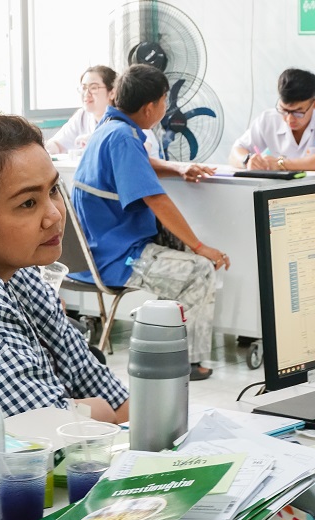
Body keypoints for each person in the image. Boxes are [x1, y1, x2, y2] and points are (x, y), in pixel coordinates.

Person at [0, 113, 129, 423]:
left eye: (53, 191)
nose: (54, 215)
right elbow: (47, 430)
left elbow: (117, 400)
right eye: (27, 203)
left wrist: (87, 410)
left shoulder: (21, 273)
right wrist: (90, 411)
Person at [71, 64, 229, 381]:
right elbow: (156, 200)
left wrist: (179, 169)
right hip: (116, 258)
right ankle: (189, 362)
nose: (166, 107)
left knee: (184, 251)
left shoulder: (112, 128)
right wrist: (200, 247)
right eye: (164, 101)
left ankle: (164, 340)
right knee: (199, 268)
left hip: (101, 247)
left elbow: (141, 163)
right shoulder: (123, 138)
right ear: (150, 107)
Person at [46, 65, 214, 182]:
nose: (86, 94)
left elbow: (138, 157)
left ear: (113, 92)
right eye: (83, 87)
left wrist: (178, 168)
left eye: (94, 87)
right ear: (149, 108)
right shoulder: (118, 131)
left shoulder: (126, 127)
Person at [229, 68, 315, 177]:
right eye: (284, 110)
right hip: (284, 196)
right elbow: (236, 152)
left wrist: (281, 164)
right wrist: (248, 160)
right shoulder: (269, 119)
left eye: (298, 112)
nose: (289, 119)